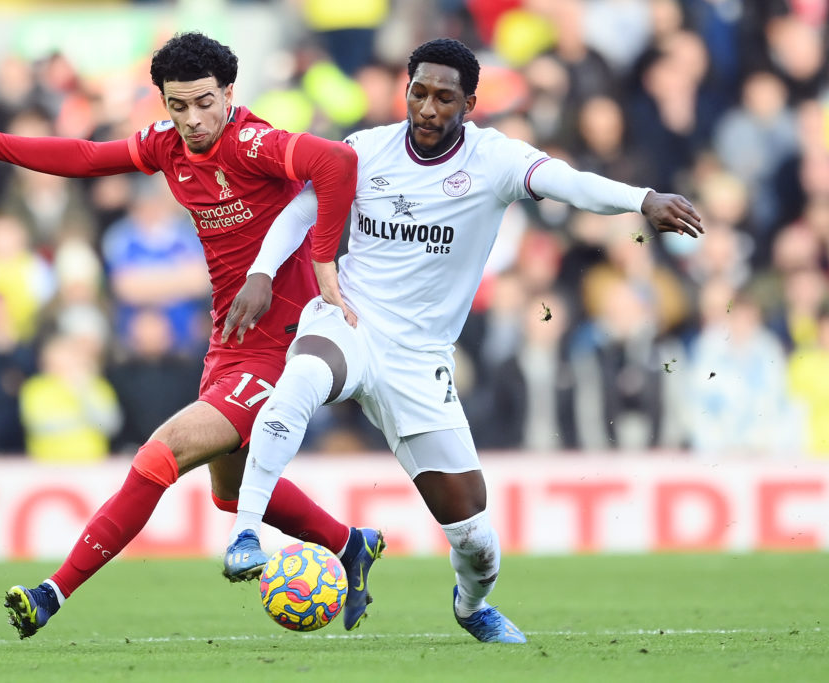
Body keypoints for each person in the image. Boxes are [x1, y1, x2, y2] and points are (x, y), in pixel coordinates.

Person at [220, 38, 703, 643]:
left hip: (420, 362)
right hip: (352, 321)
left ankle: (471, 605)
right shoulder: (363, 151)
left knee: (475, 540)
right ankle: (245, 534)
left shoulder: (494, 160)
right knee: (304, 376)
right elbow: (301, 210)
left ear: (470, 103)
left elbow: (568, 182)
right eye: (417, 93)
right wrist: (262, 273)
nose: (427, 108)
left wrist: (642, 200)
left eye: (444, 97)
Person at [0, 32, 383, 639]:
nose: (191, 119)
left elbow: (337, 163)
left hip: (283, 342)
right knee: (229, 492)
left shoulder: (254, 141)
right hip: (230, 339)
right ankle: (350, 544)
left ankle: (51, 592)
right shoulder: (167, 147)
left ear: (230, 93)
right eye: (177, 105)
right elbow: (83, 157)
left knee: (161, 453)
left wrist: (316, 265)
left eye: (205, 102)